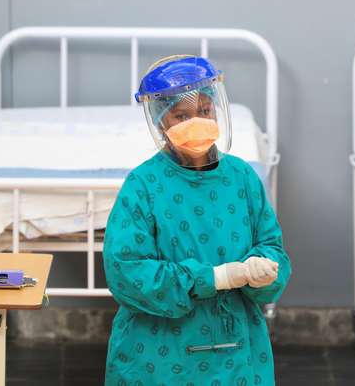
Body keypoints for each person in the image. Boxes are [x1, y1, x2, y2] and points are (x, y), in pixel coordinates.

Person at [103, 54, 291, 385]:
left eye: (205, 110)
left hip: (237, 346)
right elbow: (126, 271)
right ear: (161, 122)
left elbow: (271, 244)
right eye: (182, 115)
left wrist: (264, 270)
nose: (197, 120)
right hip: (159, 355)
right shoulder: (144, 186)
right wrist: (214, 277)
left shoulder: (242, 178)